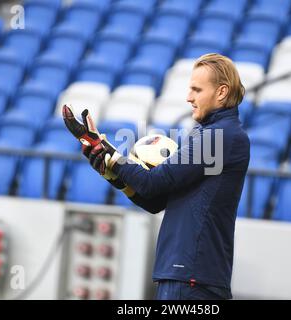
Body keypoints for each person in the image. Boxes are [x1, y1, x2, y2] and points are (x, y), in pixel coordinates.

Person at [82, 53, 250, 300]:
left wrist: (110, 153)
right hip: (183, 276)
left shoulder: (222, 136)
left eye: (196, 90)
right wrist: (112, 174)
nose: (188, 97)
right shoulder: (208, 134)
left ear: (222, 92)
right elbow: (156, 200)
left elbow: (155, 181)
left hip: (193, 279)